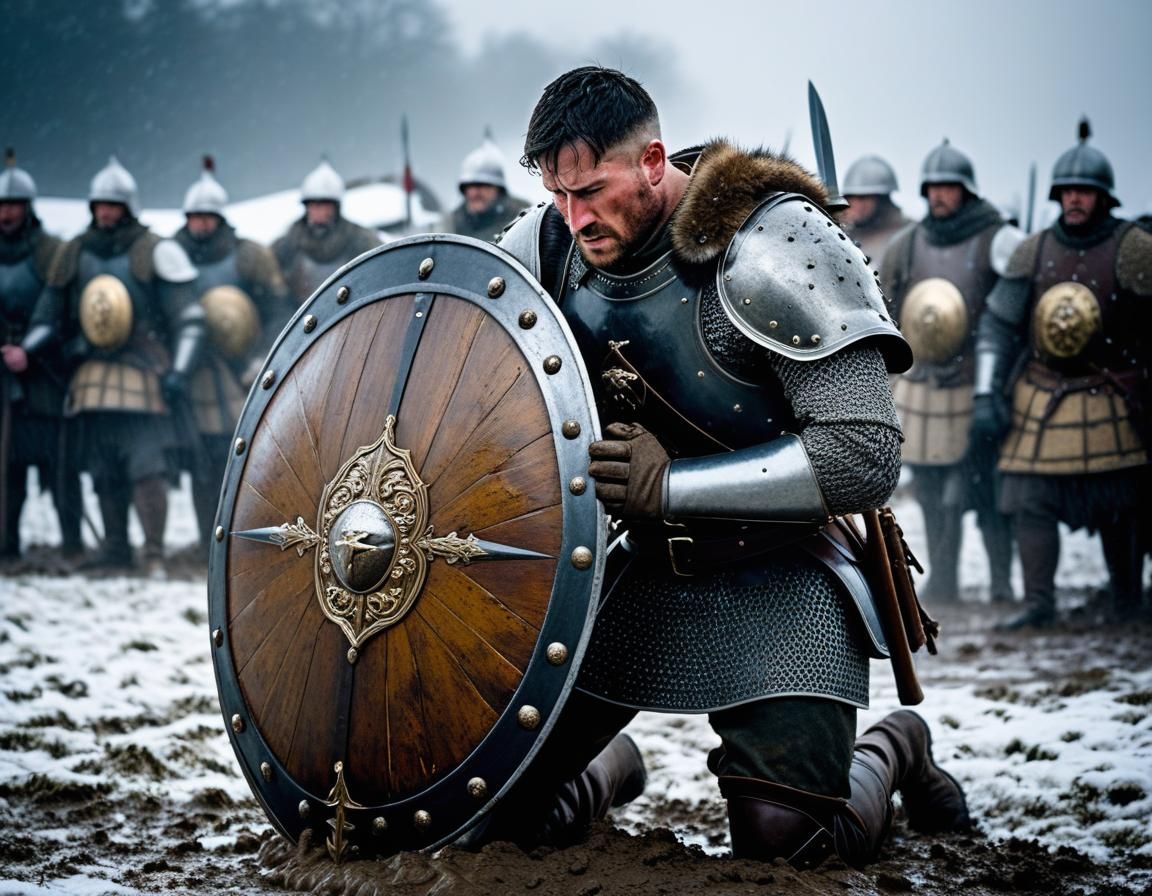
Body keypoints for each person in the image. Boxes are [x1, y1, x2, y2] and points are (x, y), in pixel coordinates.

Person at [483, 66, 970, 868]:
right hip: (637, 573)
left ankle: (894, 750)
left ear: (651, 161)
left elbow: (862, 453)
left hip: (780, 573)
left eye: (592, 191)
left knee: (789, 847)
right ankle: (610, 768)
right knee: (497, 803)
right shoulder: (544, 247)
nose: (574, 218)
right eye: (557, 193)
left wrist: (670, 485)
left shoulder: (773, 243)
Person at [973, 121, 1151, 628]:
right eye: (1069, 192)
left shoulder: (1134, 249)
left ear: (1103, 197)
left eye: (1085, 192)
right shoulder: (1034, 251)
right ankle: (1038, 604)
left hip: (1110, 391)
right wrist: (988, 392)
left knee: (1120, 500)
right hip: (1043, 392)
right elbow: (997, 325)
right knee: (1030, 498)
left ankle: (1125, 597)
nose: (1075, 200)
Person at [29, 156, 205, 574]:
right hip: (91, 373)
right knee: (103, 466)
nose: (104, 212)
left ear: (128, 207)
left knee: (147, 465)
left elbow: (189, 317)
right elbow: (48, 314)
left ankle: (153, 552)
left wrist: (178, 370)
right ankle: (114, 548)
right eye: (99, 205)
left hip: (142, 370)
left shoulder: (153, 249)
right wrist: (30, 350)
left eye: (112, 205)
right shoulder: (75, 252)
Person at [880, 140, 1023, 604]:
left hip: (979, 386)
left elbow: (1015, 315)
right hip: (925, 390)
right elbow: (889, 309)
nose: (939, 196)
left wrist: (1000, 383)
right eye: (933, 188)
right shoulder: (907, 246)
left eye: (949, 188)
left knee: (985, 494)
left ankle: (1001, 581)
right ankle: (943, 578)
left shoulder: (996, 238)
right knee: (933, 491)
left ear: (966, 190)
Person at [174, 157, 293, 554]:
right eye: (195, 217)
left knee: (241, 454)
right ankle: (207, 538)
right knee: (200, 459)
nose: (201, 224)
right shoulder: (172, 254)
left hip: (240, 369)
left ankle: (240, 539)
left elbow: (277, 307)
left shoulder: (249, 256)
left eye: (208, 217)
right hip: (192, 370)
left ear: (221, 218)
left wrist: (262, 357)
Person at [0, 150, 83, 563]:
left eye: (13, 205)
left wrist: (31, 349)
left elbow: (60, 309)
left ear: (28, 208)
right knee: (8, 469)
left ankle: (72, 545)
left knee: (59, 465)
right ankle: (7, 546)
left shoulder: (53, 252)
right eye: (2, 205)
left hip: (46, 375)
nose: (7, 212)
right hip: (4, 376)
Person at [272, 158, 380, 305]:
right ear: (307, 208)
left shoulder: (359, 239)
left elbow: (381, 273)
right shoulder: (289, 244)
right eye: (314, 205)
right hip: (303, 321)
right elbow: (273, 296)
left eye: (324, 205)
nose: (319, 212)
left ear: (335, 207)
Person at [440, 134, 531, 243]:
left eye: (480, 185)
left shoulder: (522, 215)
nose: (474, 193)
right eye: (469, 186)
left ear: (498, 189)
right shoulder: (451, 224)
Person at [840, 154, 913, 270]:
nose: (854, 204)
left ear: (882, 199)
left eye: (863, 198)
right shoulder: (842, 236)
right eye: (850, 197)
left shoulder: (911, 235)